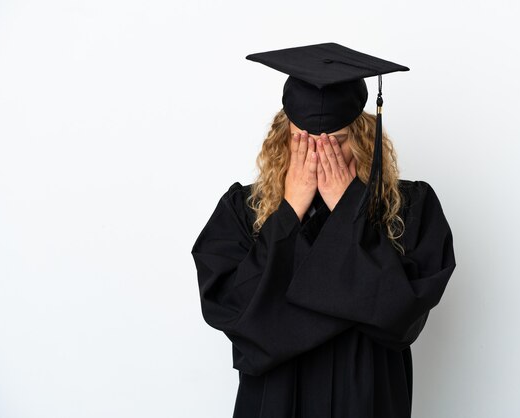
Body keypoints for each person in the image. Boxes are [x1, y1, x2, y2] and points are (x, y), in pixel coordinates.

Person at [191, 43, 457, 418]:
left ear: (364, 139)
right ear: (284, 137)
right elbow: (234, 314)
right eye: (304, 141)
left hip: (365, 397)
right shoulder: (242, 211)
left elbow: (403, 316)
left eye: (337, 142)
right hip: (276, 400)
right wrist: (288, 213)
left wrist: (347, 207)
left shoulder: (411, 208)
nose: (319, 156)